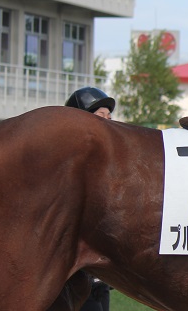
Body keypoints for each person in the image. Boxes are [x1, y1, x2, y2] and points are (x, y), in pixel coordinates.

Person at [65, 86, 115, 311]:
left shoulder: (110, 163)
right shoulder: (67, 163)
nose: (108, 121)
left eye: (109, 116)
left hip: (100, 277)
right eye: (100, 115)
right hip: (74, 274)